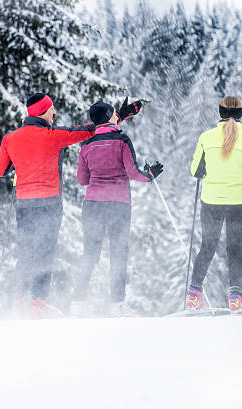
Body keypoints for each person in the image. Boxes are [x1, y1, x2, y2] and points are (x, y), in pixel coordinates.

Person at [0, 92, 97, 317]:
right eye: (51, 109)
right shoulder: (53, 135)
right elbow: (85, 130)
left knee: (26, 251)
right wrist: (115, 117)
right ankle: (37, 304)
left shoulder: (11, 139)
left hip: (25, 206)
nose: (54, 112)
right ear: (42, 112)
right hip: (49, 205)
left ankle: (18, 301)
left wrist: (15, 163)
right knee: (46, 253)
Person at [72, 99, 163, 316]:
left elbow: (82, 180)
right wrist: (149, 176)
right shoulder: (122, 140)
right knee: (118, 253)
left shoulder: (86, 144)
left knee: (90, 253)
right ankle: (117, 304)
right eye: (114, 113)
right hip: (118, 204)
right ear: (110, 116)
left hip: (92, 204)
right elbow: (133, 173)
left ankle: (78, 300)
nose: (117, 115)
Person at [188, 96, 242, 312]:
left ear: (220, 112)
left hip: (211, 201)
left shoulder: (206, 138)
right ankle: (235, 298)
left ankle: (193, 294)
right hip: (239, 202)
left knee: (207, 246)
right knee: (235, 249)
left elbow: (195, 171)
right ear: (241, 114)